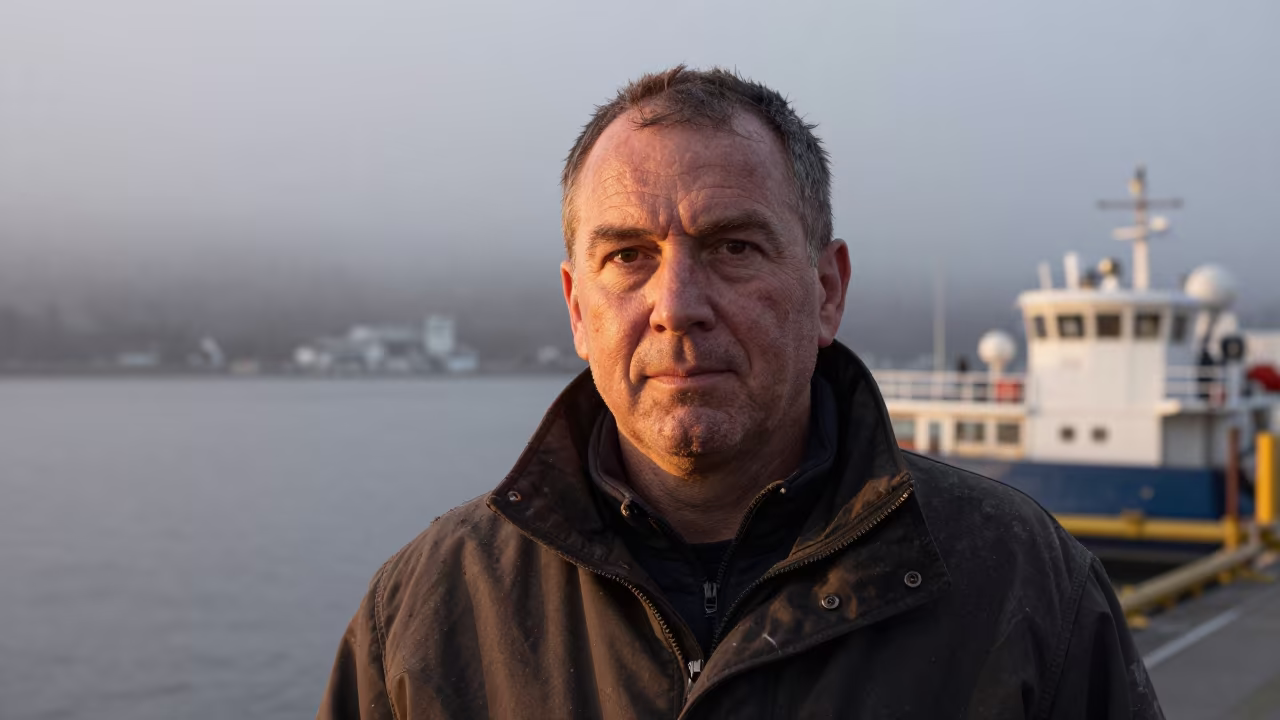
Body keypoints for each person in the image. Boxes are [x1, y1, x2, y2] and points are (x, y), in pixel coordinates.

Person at [318, 66, 1162, 719]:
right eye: (628, 256)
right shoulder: (427, 618)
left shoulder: (1021, 586)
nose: (677, 306)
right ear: (579, 310)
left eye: (732, 249)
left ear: (827, 291)